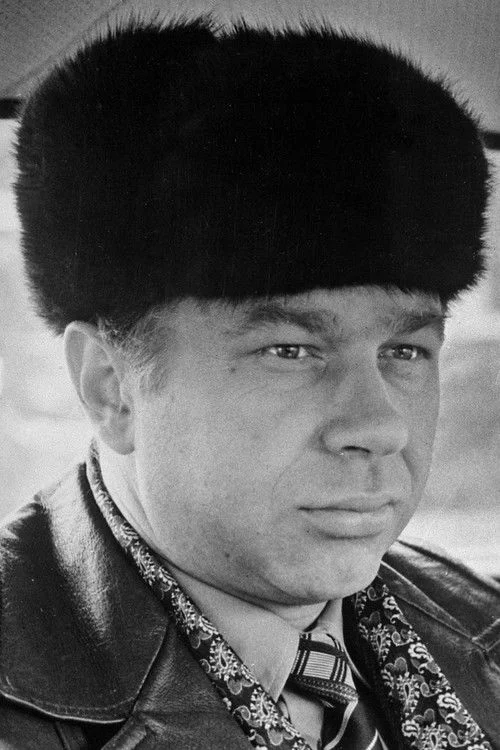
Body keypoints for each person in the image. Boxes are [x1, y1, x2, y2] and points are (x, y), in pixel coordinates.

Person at [1, 16, 498, 750]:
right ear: (112, 388)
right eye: (291, 351)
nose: (381, 427)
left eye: (405, 350)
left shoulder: (485, 625)